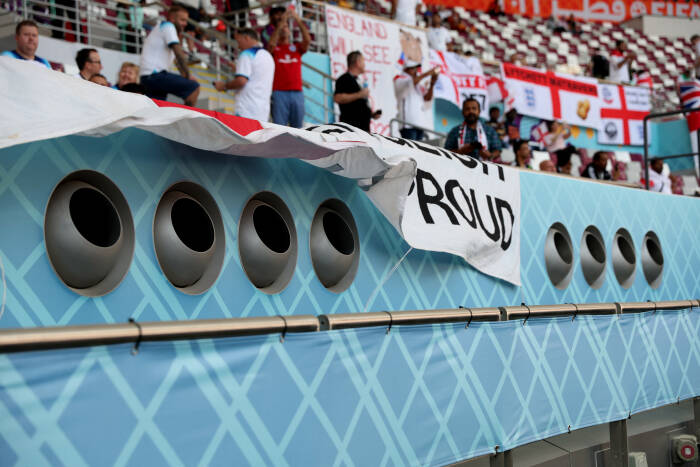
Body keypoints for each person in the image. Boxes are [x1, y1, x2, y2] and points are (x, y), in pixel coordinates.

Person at [139, 5, 200, 106]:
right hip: (155, 75)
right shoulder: (168, 26)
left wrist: (184, 74)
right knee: (193, 87)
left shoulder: (161, 28)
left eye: (186, 21)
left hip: (147, 78)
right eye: (182, 20)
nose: (185, 24)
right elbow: (179, 54)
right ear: (172, 18)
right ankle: (187, 121)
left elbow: (176, 60)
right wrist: (188, 75)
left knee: (155, 110)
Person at [214, 28, 274, 121]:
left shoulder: (246, 54)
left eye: (238, 41)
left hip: (246, 110)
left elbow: (241, 81)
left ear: (246, 38)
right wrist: (238, 69)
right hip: (262, 111)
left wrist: (224, 86)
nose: (238, 46)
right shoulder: (267, 55)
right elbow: (256, 77)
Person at [267, 8, 311, 128]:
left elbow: (307, 40)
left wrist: (297, 19)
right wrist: (281, 23)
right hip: (279, 92)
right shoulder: (274, 49)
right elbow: (271, 45)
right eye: (282, 27)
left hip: (297, 93)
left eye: (286, 27)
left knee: (298, 129)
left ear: (290, 31)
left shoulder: (296, 48)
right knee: (279, 128)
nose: (284, 29)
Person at [334, 51, 381, 132]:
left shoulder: (358, 80)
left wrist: (372, 114)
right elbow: (337, 98)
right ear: (357, 62)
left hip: (363, 128)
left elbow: (358, 105)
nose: (364, 64)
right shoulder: (344, 79)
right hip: (351, 129)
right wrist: (359, 94)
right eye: (363, 61)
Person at [394, 61, 439, 140]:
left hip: (419, 125)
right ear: (406, 69)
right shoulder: (400, 79)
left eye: (416, 69)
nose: (416, 71)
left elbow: (427, 98)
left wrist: (432, 84)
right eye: (414, 69)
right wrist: (428, 73)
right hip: (408, 125)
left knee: (417, 151)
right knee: (410, 151)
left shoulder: (418, 84)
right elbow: (410, 83)